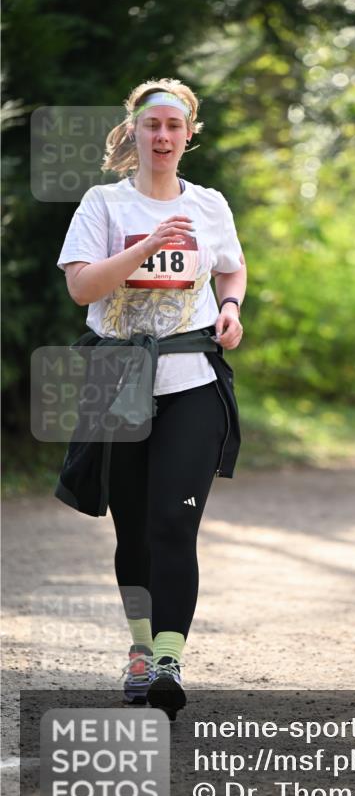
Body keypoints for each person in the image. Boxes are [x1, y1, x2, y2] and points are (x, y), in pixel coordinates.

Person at [56, 78, 246, 719]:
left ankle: (167, 658)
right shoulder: (103, 204)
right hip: (117, 380)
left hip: (190, 377)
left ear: (189, 134)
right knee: (133, 525)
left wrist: (230, 306)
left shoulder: (210, 204)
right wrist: (145, 246)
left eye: (173, 126)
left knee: (174, 521)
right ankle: (139, 649)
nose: (162, 136)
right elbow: (83, 291)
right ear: (132, 132)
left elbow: (231, 264)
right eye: (151, 126)